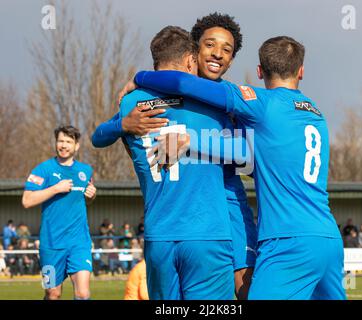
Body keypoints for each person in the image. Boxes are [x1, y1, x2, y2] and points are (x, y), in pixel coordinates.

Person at [132, 35, 346, 300]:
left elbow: (180, 82)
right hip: (329, 240)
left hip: (288, 241)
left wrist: (139, 78)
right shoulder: (316, 114)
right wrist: (197, 141)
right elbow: (255, 156)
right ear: (301, 71)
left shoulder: (263, 103)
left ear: (259, 71)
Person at [92, 13, 257, 300]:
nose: (217, 54)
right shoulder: (214, 101)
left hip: (166, 232)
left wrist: (132, 96)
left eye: (227, 49)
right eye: (209, 45)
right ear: (192, 57)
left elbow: (97, 137)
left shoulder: (133, 102)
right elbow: (248, 155)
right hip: (207, 230)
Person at [22, 125, 97, 300]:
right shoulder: (43, 169)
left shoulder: (85, 171)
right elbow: (26, 200)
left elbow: (85, 200)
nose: (63, 145)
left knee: (83, 293)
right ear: (56, 143)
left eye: (68, 142)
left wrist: (92, 196)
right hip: (51, 244)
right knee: (53, 293)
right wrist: (55, 189)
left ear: (76, 146)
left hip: (79, 242)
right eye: (60, 141)